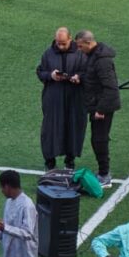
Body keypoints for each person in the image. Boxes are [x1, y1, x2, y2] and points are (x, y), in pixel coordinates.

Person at [37, 27, 87, 170]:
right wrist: (50, 76)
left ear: (70, 39)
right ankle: (50, 163)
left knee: (73, 128)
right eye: (58, 43)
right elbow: (40, 72)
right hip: (54, 98)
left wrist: (79, 77)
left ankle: (70, 162)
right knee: (50, 129)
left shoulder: (80, 53)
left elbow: (88, 71)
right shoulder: (48, 53)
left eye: (63, 43)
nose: (60, 46)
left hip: (75, 98)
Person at [77, 29, 120, 187]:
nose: (79, 50)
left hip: (103, 106)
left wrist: (101, 110)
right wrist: (80, 77)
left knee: (99, 140)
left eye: (81, 46)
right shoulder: (94, 56)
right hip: (98, 104)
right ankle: (103, 172)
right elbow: (91, 76)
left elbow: (111, 88)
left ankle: (104, 174)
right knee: (98, 139)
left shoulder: (102, 61)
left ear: (89, 43)